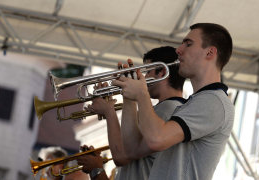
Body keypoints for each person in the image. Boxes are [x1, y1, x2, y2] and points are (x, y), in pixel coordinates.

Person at [112, 23, 234, 180]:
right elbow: (131, 150)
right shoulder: (198, 101)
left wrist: (142, 94)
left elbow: (156, 139)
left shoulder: (214, 101)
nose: (179, 50)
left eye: (188, 44)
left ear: (210, 52)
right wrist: (130, 99)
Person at [77, 46, 186, 180]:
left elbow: (122, 156)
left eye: (148, 71)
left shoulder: (167, 110)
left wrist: (109, 111)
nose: (144, 78)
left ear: (162, 72)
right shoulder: (161, 109)